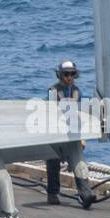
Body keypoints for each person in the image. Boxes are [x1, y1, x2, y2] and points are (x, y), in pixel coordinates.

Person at [45, 60, 81, 205]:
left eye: (72, 74)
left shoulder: (77, 91)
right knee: (53, 163)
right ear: (60, 75)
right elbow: (52, 112)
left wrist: (81, 137)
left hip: (72, 132)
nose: (69, 77)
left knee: (79, 162)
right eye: (66, 74)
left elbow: (80, 113)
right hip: (56, 131)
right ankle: (52, 194)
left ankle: (84, 192)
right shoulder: (53, 91)